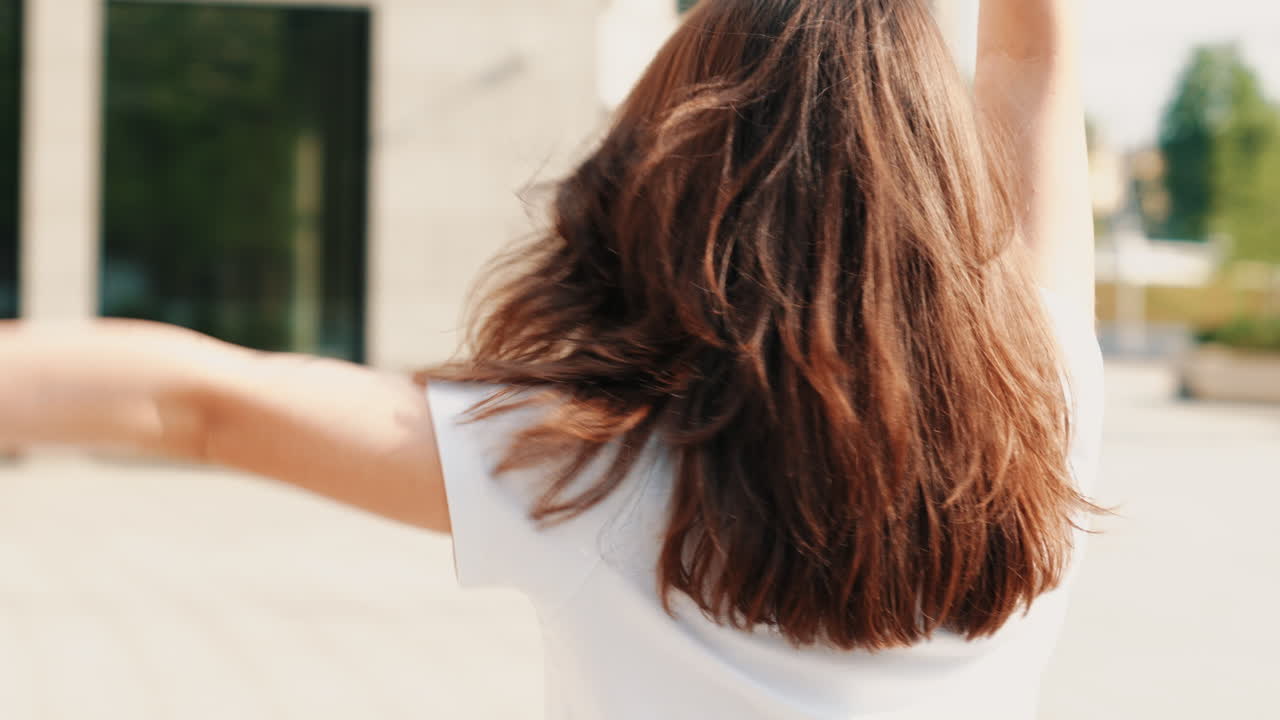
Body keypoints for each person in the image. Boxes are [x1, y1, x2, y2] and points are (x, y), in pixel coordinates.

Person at [0, 0, 1103, 718]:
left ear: (686, 178)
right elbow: (1028, 60)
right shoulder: (1041, 403)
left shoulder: (603, 469)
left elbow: (197, 403)